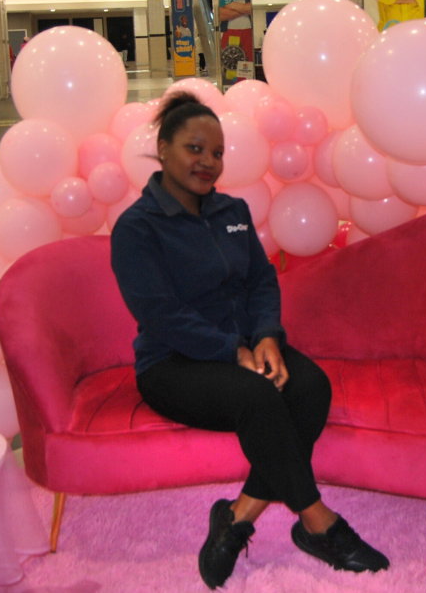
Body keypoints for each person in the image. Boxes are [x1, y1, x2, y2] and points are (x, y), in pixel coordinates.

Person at [110, 93, 388, 590]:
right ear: (164, 148)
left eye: (217, 153)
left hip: (244, 350)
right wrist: (234, 351)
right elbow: (160, 314)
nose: (208, 162)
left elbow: (261, 281)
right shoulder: (137, 228)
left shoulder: (232, 211)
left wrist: (266, 339)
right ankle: (319, 523)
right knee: (260, 397)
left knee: (311, 386)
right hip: (172, 364)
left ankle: (238, 515)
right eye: (195, 148)